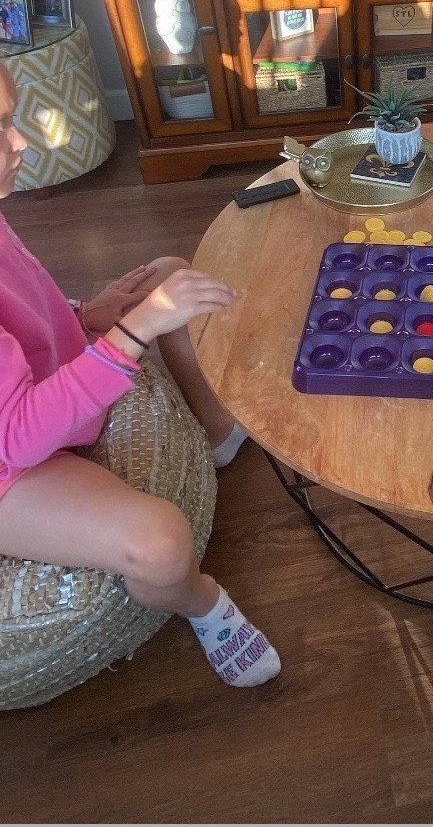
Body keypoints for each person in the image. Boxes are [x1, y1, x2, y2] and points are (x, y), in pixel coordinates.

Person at [0, 60, 280, 689]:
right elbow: (17, 437)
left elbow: (24, 306)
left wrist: (82, 315)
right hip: (11, 457)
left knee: (168, 271)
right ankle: (205, 603)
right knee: (159, 543)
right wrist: (133, 332)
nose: (20, 142)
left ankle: (216, 440)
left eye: (12, 119)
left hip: (25, 392)